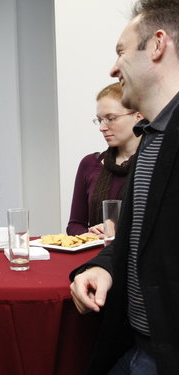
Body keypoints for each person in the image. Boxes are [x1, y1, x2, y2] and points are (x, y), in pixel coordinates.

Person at [69, 0, 179, 373]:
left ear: (158, 44)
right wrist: (103, 268)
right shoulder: (151, 137)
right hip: (135, 347)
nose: (114, 68)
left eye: (121, 52)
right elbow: (132, 240)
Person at [67, 82, 142, 236]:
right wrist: (89, 234)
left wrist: (118, 236)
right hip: (95, 257)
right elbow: (75, 225)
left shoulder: (157, 165)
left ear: (138, 116)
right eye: (99, 119)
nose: (102, 127)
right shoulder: (89, 164)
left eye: (111, 118)